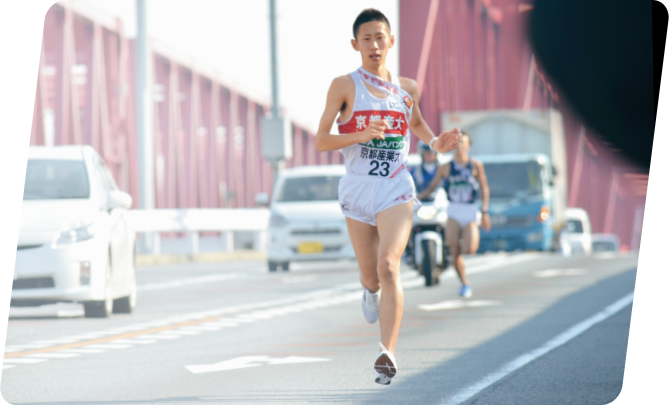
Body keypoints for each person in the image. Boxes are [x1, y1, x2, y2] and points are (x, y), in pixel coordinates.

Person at [314, 8, 462, 385]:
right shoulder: (344, 86)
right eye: (367, 39)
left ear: (391, 41)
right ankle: (368, 292)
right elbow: (321, 141)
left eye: (381, 37)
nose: (375, 45)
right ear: (355, 45)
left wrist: (435, 142)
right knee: (371, 276)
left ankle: (387, 354)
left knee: (389, 266)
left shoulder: (406, 88)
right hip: (358, 187)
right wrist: (358, 135)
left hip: (396, 186)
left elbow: (415, 123)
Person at [417, 131, 491, 298]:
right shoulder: (446, 167)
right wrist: (417, 198)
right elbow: (432, 187)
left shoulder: (475, 165)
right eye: (457, 144)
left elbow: (484, 188)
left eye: (463, 144)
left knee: (469, 248)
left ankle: (462, 269)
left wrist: (485, 212)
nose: (460, 148)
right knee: (454, 249)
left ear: (468, 146)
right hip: (453, 210)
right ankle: (465, 283)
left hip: (470, 210)